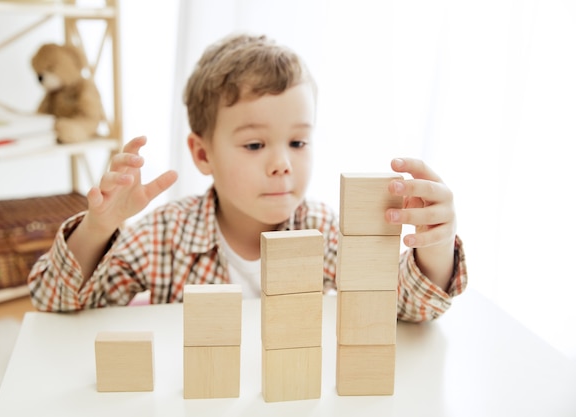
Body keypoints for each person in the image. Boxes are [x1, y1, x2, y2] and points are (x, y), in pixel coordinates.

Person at [28, 33, 467, 322]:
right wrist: (98, 227)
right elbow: (54, 300)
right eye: (255, 145)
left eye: (298, 143)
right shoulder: (165, 235)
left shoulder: (325, 232)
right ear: (203, 154)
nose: (282, 164)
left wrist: (435, 243)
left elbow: (410, 306)